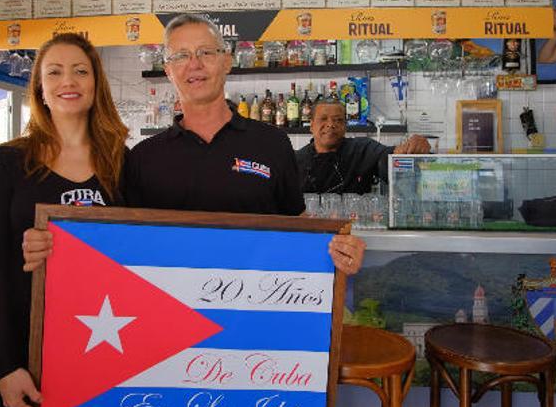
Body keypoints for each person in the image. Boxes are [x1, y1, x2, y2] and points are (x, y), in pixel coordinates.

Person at [24, 14, 366, 284]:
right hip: (168, 324)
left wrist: (336, 249)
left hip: (257, 315)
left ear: (227, 61)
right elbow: (116, 242)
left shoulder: (273, 144)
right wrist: (51, 245)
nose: (195, 64)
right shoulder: (142, 158)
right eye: (181, 56)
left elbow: (298, 227)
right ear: (169, 71)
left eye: (205, 52)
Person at [0, 32, 128, 407]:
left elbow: (140, 254)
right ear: (39, 86)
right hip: (14, 348)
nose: (68, 81)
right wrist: (5, 365)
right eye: (54, 72)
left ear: (96, 84)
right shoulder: (9, 161)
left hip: (97, 345)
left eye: (80, 71)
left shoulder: (123, 163)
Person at [298, 99, 431, 194]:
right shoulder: (295, 160)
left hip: (354, 228)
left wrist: (412, 147)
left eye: (338, 120)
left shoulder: (362, 149)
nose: (330, 124)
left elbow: (390, 156)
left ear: (345, 127)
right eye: (323, 119)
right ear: (311, 125)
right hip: (308, 230)